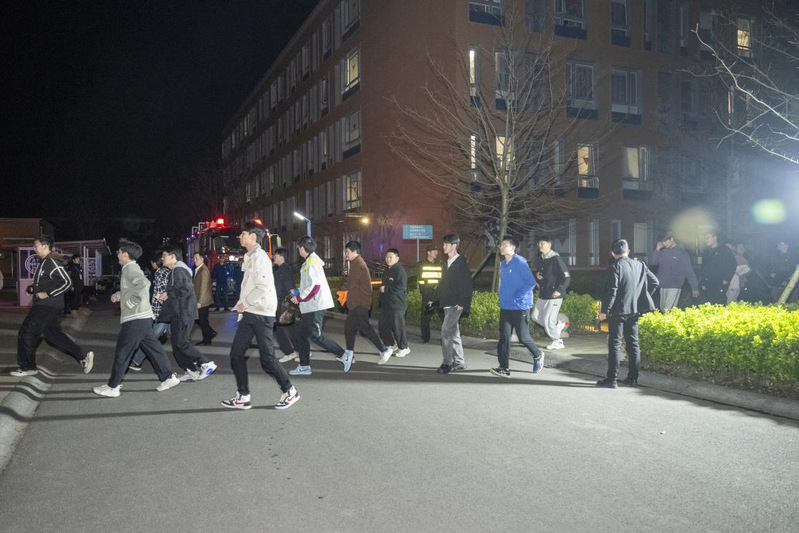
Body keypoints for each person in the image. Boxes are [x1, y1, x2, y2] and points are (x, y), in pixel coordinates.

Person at [221, 222, 299, 410]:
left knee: (268, 359)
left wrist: (244, 303)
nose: (240, 237)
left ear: (253, 237)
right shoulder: (250, 256)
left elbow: (262, 287)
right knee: (236, 354)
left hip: (262, 313)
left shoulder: (260, 257)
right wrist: (242, 305)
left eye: (243, 234)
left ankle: (290, 391)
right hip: (251, 312)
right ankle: (243, 396)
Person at [93, 239, 179, 397]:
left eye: (119, 252)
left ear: (125, 254)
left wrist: (130, 303)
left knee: (123, 353)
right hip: (143, 317)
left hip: (135, 318)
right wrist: (119, 295)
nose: (117, 255)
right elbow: (132, 289)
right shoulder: (131, 267)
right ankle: (168, 377)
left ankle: (113, 387)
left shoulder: (129, 269)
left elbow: (144, 285)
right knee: (154, 349)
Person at [13, 235, 94, 377]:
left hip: (45, 306)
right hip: (47, 306)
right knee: (54, 336)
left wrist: (47, 294)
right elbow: (48, 282)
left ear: (45, 246)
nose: (34, 248)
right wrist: (33, 289)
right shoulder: (45, 262)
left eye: (36, 245)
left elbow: (67, 282)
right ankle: (83, 357)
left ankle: (27, 367)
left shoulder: (51, 261)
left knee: (26, 333)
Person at [597, 239, 659, 388]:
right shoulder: (640, 265)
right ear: (628, 251)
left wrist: (604, 311)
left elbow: (612, 291)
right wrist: (640, 298)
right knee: (633, 344)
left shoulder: (615, 266)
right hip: (634, 310)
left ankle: (612, 379)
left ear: (613, 253)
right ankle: (632, 378)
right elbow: (655, 282)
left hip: (618, 311)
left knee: (615, 344)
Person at [287, 236, 346, 375]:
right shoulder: (309, 261)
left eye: (299, 247)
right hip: (311, 305)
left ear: (303, 248)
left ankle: (343, 354)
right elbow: (310, 284)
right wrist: (298, 291)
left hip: (315, 305)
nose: (298, 249)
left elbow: (315, 286)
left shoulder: (312, 262)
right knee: (302, 335)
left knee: (315, 335)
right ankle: (304, 366)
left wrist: (299, 297)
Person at [157, 246, 217, 382]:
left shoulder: (178, 270)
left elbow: (186, 289)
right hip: (179, 313)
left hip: (183, 313)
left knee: (181, 343)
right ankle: (191, 370)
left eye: (164, 255)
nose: (162, 258)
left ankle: (205, 363)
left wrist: (168, 294)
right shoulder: (177, 270)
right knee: (177, 344)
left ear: (173, 257)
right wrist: (167, 295)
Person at [490, 236, 545, 378]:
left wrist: (518, 296)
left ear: (513, 247)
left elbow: (530, 282)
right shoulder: (503, 264)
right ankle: (504, 368)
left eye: (505, 245)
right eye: (501, 245)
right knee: (504, 337)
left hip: (520, 306)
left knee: (523, 337)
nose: (501, 247)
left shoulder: (520, 262)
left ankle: (538, 354)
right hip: (506, 306)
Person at [341, 241, 393, 367]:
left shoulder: (358, 264)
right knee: (350, 328)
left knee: (364, 328)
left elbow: (352, 284)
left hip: (359, 303)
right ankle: (350, 355)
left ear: (354, 251)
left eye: (347, 252)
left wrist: (343, 290)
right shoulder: (356, 263)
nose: (346, 254)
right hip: (358, 303)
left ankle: (384, 350)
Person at [428, 234, 472, 374]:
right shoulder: (447, 263)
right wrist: (433, 298)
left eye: (446, 244)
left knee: (446, 332)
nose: (443, 247)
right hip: (447, 303)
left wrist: (462, 302)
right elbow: (442, 283)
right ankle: (459, 362)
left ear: (454, 246)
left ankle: (447, 363)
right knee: (454, 333)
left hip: (455, 304)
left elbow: (467, 284)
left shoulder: (461, 263)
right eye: (443, 244)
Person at [129, 252, 170, 371]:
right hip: (166, 312)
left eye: (152, 263)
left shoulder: (160, 273)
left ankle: (137, 360)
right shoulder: (166, 272)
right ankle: (196, 361)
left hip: (161, 312)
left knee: (150, 338)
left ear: (155, 263)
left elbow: (159, 293)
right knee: (180, 342)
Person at [531, 236, 570, 350]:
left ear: (549, 245)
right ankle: (557, 325)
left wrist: (559, 290)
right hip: (544, 293)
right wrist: (538, 275)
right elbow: (544, 273)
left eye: (542, 243)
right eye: (539, 244)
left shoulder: (556, 258)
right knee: (536, 316)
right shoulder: (541, 258)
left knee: (548, 320)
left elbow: (567, 277)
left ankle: (557, 341)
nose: (540, 246)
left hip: (554, 295)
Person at [650, 234, 699, 311]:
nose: (664, 244)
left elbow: (689, 271)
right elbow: (653, 262)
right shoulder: (663, 252)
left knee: (668, 310)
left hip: (675, 285)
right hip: (663, 285)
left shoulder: (682, 253)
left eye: (666, 241)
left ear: (672, 239)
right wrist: (657, 249)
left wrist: (694, 287)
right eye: (663, 242)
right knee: (663, 309)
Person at [379, 248, 410, 360]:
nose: (388, 259)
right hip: (387, 304)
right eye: (387, 257)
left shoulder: (400, 271)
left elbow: (401, 287)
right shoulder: (387, 270)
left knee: (398, 327)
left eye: (390, 257)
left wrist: (386, 289)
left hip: (397, 304)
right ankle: (391, 344)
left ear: (397, 258)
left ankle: (404, 347)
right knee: (382, 326)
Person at [273, 248, 301, 363]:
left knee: (280, 327)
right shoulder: (280, 269)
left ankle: (292, 352)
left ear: (281, 256)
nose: (274, 257)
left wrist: (294, 300)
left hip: (284, 303)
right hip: (281, 302)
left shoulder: (285, 269)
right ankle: (299, 350)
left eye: (275, 255)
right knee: (289, 327)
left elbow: (290, 286)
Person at [414, 244, 443, 343]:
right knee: (425, 318)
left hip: (438, 295)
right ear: (429, 253)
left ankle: (446, 338)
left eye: (437, 251)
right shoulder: (421, 265)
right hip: (427, 295)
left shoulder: (440, 264)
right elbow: (410, 273)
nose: (437, 253)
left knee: (444, 317)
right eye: (434, 251)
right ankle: (425, 338)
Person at [699, 232, 737, 305]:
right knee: (709, 304)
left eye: (708, 238)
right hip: (708, 283)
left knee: (719, 303)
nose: (706, 240)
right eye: (705, 239)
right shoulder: (706, 252)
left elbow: (732, 265)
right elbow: (703, 268)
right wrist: (703, 283)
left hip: (720, 282)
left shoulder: (724, 250)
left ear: (715, 237)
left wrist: (727, 279)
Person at [193, 252, 217, 345]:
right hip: (200, 299)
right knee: (201, 319)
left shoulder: (203, 270)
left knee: (202, 320)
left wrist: (200, 301)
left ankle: (207, 339)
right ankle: (210, 334)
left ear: (202, 259)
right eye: (194, 258)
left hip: (203, 301)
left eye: (197, 258)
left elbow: (203, 287)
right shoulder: (199, 269)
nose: (195, 260)